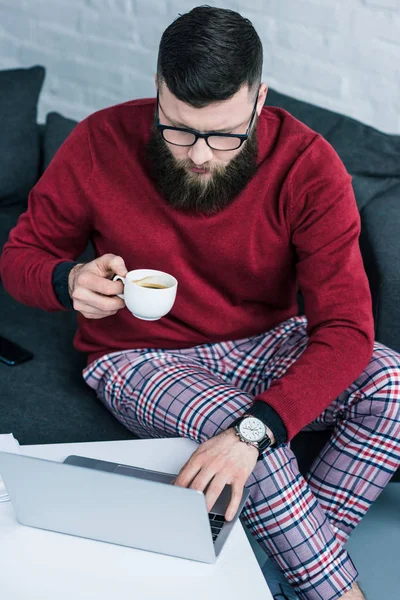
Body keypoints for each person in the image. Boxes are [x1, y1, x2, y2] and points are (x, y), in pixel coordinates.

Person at [1, 5, 399, 600]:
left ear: (260, 101)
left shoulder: (310, 167)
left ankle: (284, 573)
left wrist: (256, 430)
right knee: (238, 435)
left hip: (266, 340)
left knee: (387, 384)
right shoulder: (98, 141)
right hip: (139, 356)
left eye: (223, 134)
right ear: (159, 92)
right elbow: (20, 256)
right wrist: (67, 280)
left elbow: (346, 328)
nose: (200, 155)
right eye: (179, 128)